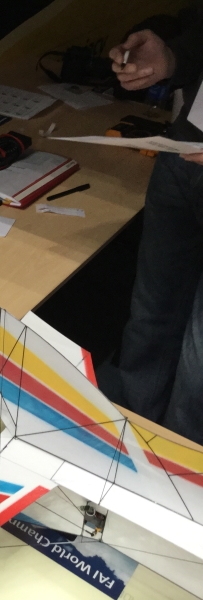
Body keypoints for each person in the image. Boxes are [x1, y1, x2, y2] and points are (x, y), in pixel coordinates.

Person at [105, 22, 203, 445]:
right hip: (184, 152)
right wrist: (174, 56)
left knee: (199, 369)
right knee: (149, 320)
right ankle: (124, 458)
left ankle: (178, 477)